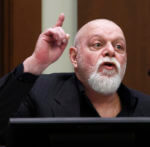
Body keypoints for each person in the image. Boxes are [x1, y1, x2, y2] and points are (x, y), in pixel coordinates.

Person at [0, 13, 150, 138]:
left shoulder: (146, 107)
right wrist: (35, 63)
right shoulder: (40, 93)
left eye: (119, 47)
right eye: (97, 44)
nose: (111, 51)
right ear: (74, 57)